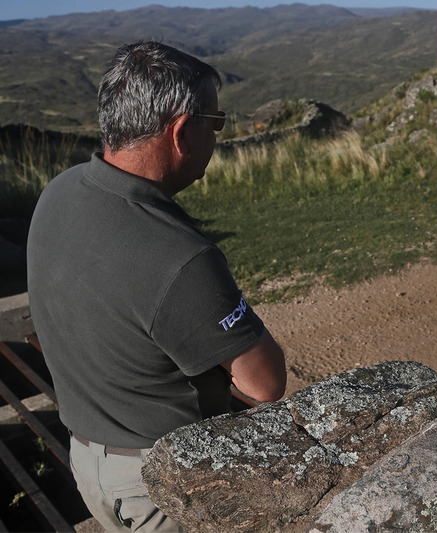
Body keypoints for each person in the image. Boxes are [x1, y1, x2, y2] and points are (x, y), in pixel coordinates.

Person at [26, 40, 287, 532]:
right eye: (216, 122)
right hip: (162, 483)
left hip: (87, 460)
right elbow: (266, 382)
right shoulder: (181, 257)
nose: (217, 136)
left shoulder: (59, 191)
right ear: (183, 132)